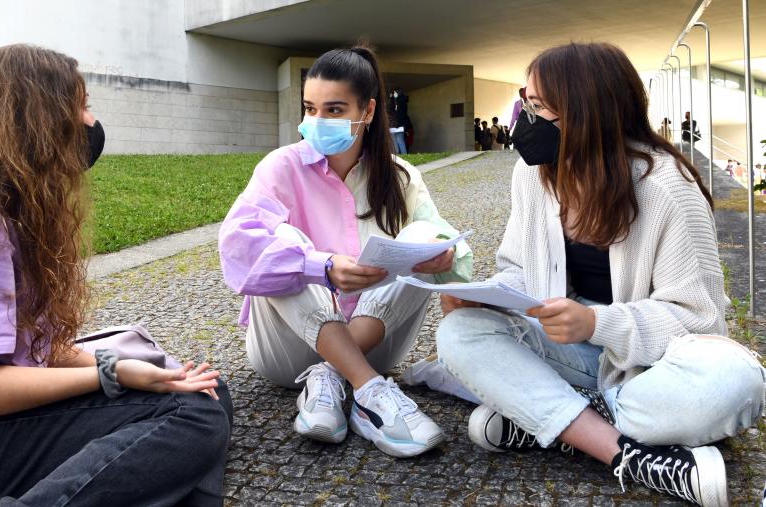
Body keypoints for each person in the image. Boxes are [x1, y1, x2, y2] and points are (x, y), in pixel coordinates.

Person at [0, 44, 232, 507]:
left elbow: (27, 351)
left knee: (206, 390)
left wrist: (153, 373)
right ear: (38, 119)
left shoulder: (8, 208)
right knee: (193, 415)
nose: (90, 121)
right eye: (81, 105)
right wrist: (110, 372)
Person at [437, 42, 763, 506]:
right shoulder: (532, 175)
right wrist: (484, 296)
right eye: (523, 102)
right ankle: (625, 453)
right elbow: (517, 271)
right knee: (459, 332)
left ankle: (550, 418)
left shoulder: (667, 188)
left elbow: (699, 320)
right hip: (573, 350)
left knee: (737, 381)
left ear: (586, 112)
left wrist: (595, 323)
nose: (523, 119)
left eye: (537, 107)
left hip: (649, 367)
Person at [218, 45, 473, 458]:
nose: (317, 122)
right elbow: (237, 248)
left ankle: (333, 377)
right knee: (288, 246)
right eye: (310, 108)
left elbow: (451, 252)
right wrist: (324, 267)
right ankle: (370, 390)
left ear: (367, 112)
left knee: (424, 235)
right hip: (286, 351)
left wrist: (441, 259)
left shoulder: (401, 177)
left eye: (334, 110)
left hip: (376, 342)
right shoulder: (280, 168)